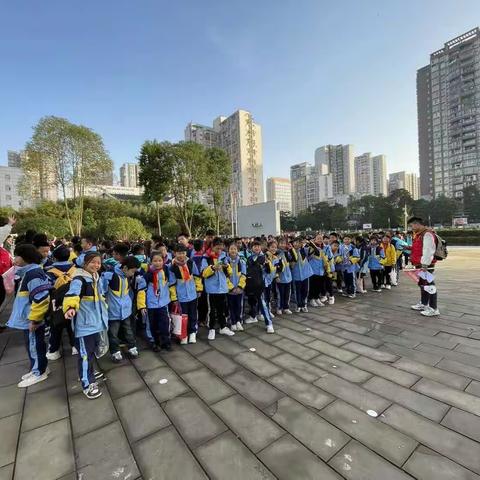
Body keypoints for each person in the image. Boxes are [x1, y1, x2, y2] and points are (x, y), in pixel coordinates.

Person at [63, 252, 108, 399]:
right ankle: (87, 384)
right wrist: (70, 308)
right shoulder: (79, 279)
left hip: (95, 322)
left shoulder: (95, 277)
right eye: (92, 262)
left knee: (90, 352)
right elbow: (72, 294)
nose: (96, 265)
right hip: (84, 324)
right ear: (84, 263)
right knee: (84, 354)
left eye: (98, 263)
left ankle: (88, 373)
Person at [7, 244, 51, 388]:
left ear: (25, 257)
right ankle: (38, 367)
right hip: (29, 318)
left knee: (34, 345)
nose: (15, 259)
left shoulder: (33, 274)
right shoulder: (30, 272)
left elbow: (41, 298)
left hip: (32, 320)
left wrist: (35, 320)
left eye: (17, 255)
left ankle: (39, 372)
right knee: (33, 344)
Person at [102, 256, 144, 362]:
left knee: (128, 330)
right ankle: (115, 352)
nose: (133, 274)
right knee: (113, 334)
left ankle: (132, 347)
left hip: (125, 311)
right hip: (112, 311)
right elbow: (102, 292)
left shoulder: (126, 276)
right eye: (132, 271)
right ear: (125, 268)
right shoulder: (109, 276)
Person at [45, 245, 77, 359]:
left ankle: (54, 350)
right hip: (73, 301)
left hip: (56, 303)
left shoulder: (49, 272)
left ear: (55, 257)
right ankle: (75, 346)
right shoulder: (75, 269)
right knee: (72, 324)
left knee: (56, 326)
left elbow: (46, 289)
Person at [201, 237, 234, 340]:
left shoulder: (224, 257)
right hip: (212, 289)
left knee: (222, 309)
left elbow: (230, 273)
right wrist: (213, 268)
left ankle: (223, 327)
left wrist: (227, 266)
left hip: (223, 288)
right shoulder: (206, 258)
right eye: (217, 248)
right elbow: (203, 273)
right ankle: (211, 329)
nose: (219, 250)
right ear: (212, 246)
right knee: (212, 310)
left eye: (221, 248)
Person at [169, 244, 203, 344]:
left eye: (183, 253)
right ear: (174, 253)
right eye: (179, 253)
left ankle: (192, 332)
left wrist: (199, 289)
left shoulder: (191, 263)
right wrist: (174, 298)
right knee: (182, 316)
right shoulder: (172, 267)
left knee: (193, 314)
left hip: (192, 294)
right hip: (181, 297)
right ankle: (183, 334)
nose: (181, 255)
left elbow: (197, 276)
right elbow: (172, 284)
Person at [408, 217, 440, 317]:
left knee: (430, 285)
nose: (411, 227)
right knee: (423, 284)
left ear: (417, 224)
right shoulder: (419, 235)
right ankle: (424, 303)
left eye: (412, 225)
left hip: (426, 265)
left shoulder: (427, 234)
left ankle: (433, 308)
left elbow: (428, 250)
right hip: (421, 264)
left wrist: (425, 265)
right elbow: (419, 248)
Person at [145, 252, 173, 351]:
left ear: (163, 260)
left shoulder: (165, 269)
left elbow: (169, 282)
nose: (157, 263)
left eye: (160, 260)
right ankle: (154, 342)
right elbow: (142, 289)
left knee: (164, 323)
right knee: (152, 324)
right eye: (155, 261)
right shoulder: (148, 273)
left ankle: (166, 341)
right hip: (151, 303)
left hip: (163, 302)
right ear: (151, 261)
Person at [225, 243, 246, 331]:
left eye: (235, 249)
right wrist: (231, 288)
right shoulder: (226, 262)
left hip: (239, 289)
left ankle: (238, 321)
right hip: (230, 290)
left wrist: (240, 287)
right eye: (231, 249)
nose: (233, 250)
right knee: (231, 306)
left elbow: (244, 275)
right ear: (228, 251)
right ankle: (233, 322)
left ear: (238, 251)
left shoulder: (241, 262)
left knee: (239, 306)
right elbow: (225, 276)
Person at [290, 237, 313, 312]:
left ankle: (304, 304)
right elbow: (290, 264)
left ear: (301, 243)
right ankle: (298, 305)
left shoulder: (304, 250)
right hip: (296, 275)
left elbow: (313, 251)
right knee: (297, 291)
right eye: (295, 242)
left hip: (306, 274)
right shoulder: (290, 252)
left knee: (305, 290)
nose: (296, 244)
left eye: (298, 242)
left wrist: (309, 242)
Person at [275, 237, 293, 314]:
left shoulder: (287, 252)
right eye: (281, 243)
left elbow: (292, 259)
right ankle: (279, 307)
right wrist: (276, 276)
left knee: (287, 293)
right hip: (280, 278)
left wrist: (291, 249)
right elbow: (274, 266)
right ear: (278, 244)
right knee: (280, 294)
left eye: (284, 243)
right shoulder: (276, 253)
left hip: (288, 277)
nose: (283, 245)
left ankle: (286, 307)